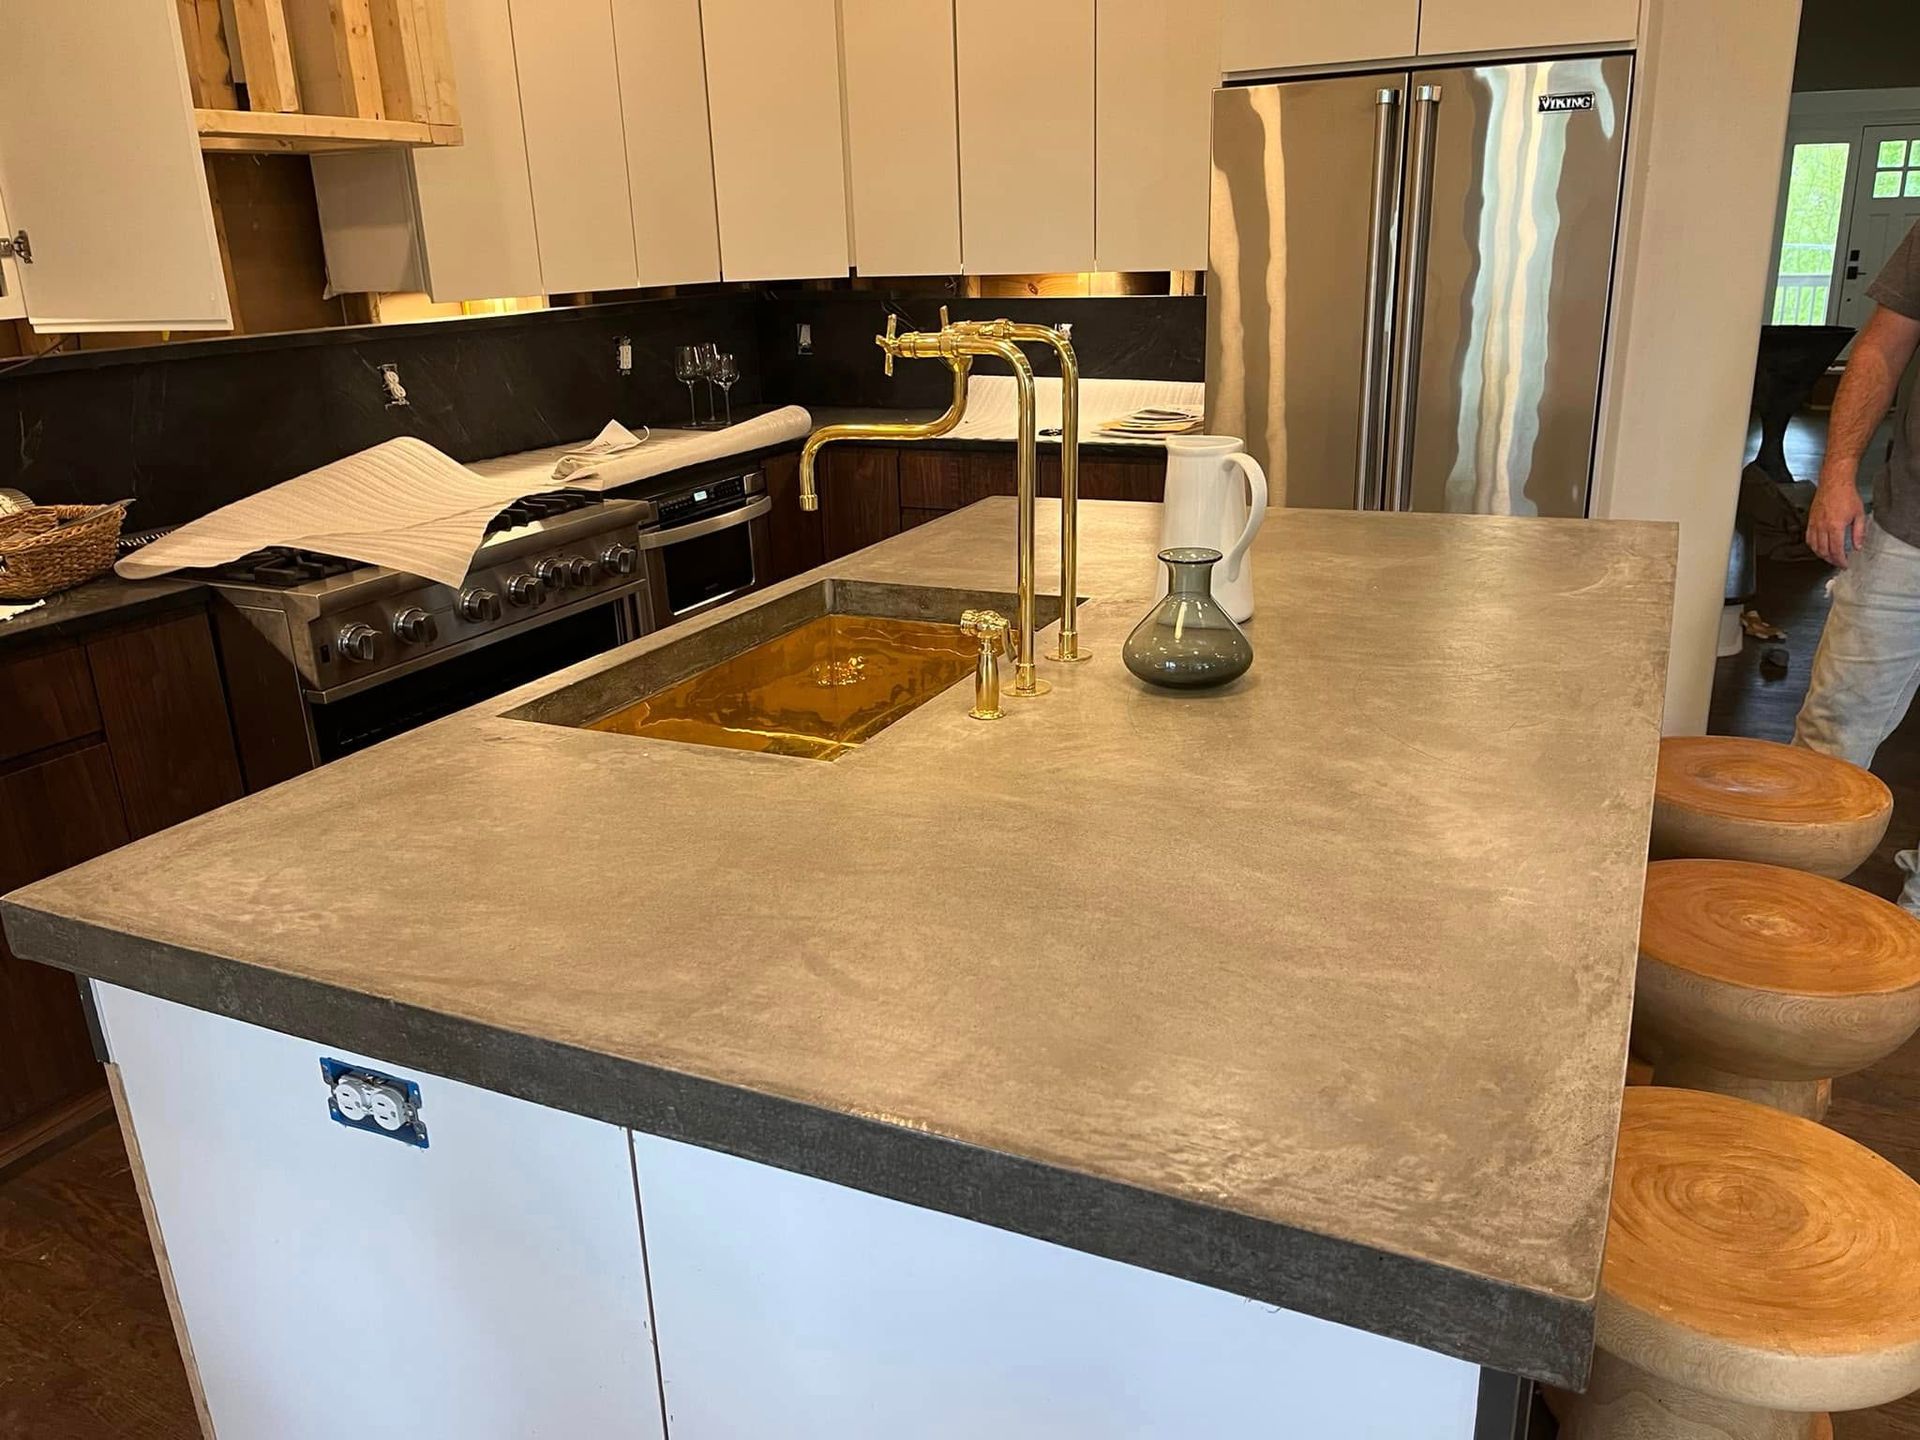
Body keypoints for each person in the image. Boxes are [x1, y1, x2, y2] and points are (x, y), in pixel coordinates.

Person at [1796, 217, 1920, 912]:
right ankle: (1786, 899)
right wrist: (1837, 472)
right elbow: (1881, 347)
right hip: (1908, 532)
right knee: (1835, 726)